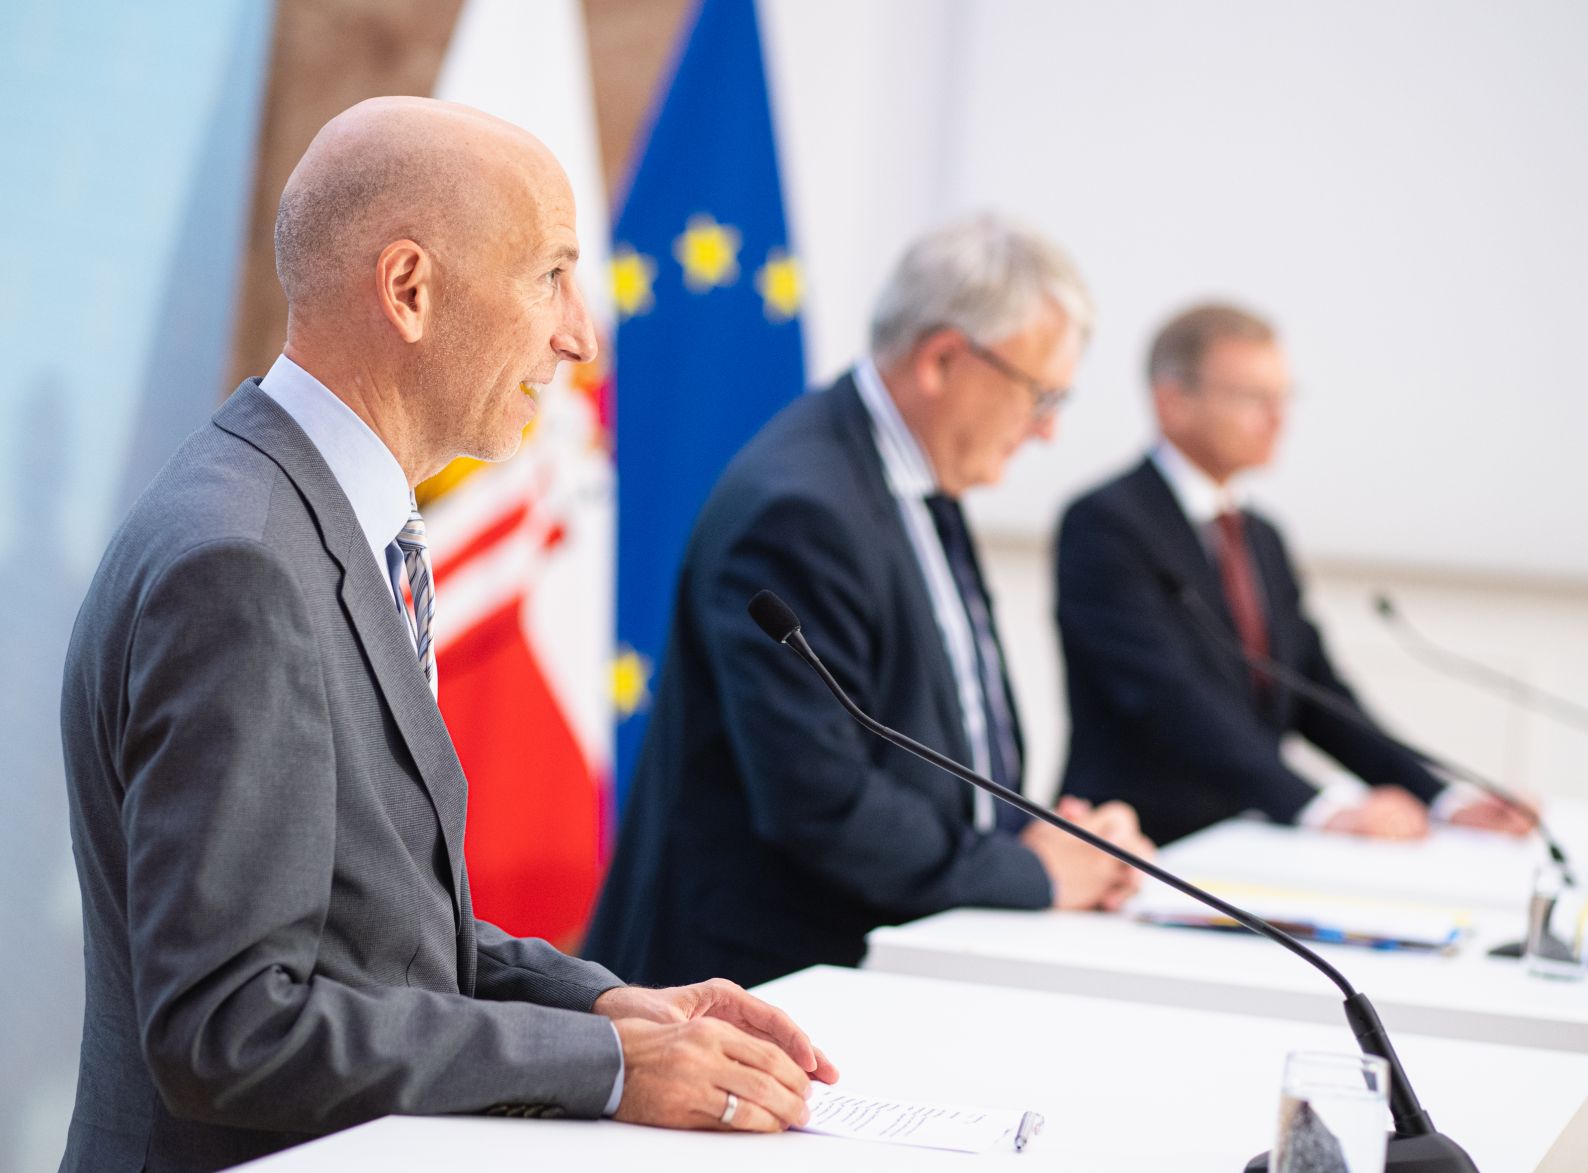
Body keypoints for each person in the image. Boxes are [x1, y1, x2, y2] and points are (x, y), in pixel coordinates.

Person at [59, 97, 834, 1173]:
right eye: (549, 276)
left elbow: (372, 932)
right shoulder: (240, 563)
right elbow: (233, 1025)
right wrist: (600, 1069)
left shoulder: (307, 515)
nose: (580, 336)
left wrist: (613, 1008)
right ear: (410, 291)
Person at [587, 214, 1154, 990]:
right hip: (757, 988)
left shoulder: (919, 474)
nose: (1048, 429)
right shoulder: (800, 507)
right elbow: (821, 800)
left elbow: (932, 746)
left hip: (878, 962)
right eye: (1039, 394)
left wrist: (1063, 841)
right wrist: (1033, 875)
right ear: (944, 360)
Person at [1056, 303, 1534, 845]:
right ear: (1173, 402)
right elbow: (1168, 699)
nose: (1278, 417)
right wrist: (1320, 808)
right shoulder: (1106, 524)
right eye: (1253, 398)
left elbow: (1315, 692)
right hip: (1145, 843)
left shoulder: (1260, 537)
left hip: (1254, 838)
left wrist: (1443, 798)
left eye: (1283, 397)